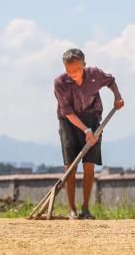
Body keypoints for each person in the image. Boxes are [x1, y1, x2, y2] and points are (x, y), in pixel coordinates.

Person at [53, 48, 124, 220]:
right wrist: (85, 130)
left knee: (89, 165)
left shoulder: (95, 75)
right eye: (69, 70)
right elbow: (67, 112)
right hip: (69, 122)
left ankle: (85, 209)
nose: (73, 74)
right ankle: (72, 209)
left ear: (84, 65)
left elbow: (110, 80)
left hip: (92, 118)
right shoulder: (60, 82)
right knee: (70, 166)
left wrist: (117, 97)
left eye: (77, 70)